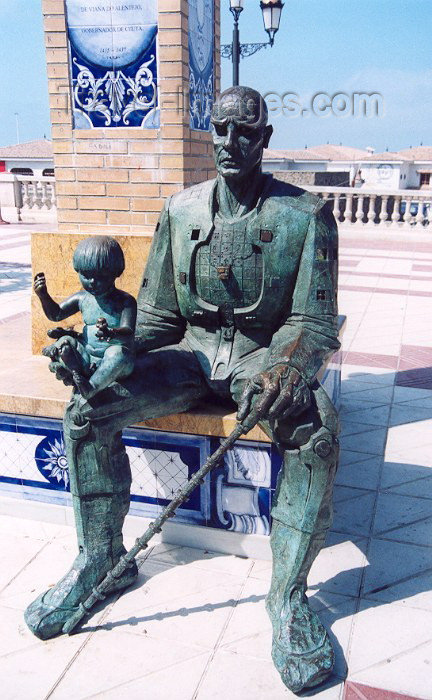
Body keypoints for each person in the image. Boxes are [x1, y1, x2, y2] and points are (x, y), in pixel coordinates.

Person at [25, 86, 340, 694]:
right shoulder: (181, 210)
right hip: (192, 359)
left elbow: (315, 321)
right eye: (220, 131)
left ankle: (289, 599)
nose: (230, 143)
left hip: (261, 362)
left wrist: (291, 368)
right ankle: (100, 562)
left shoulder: (306, 216)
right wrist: (101, 351)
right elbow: (159, 317)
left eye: (245, 132)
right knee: (88, 410)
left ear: (265, 139)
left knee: (316, 429)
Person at [33, 236, 136, 400]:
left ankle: (91, 387)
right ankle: (76, 373)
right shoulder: (82, 298)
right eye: (86, 276)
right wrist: (44, 296)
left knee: (119, 354)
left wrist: (112, 333)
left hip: (114, 363)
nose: (93, 282)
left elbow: (129, 332)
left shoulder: (125, 301)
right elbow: (56, 314)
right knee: (65, 342)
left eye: (101, 276)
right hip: (87, 357)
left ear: (117, 272)